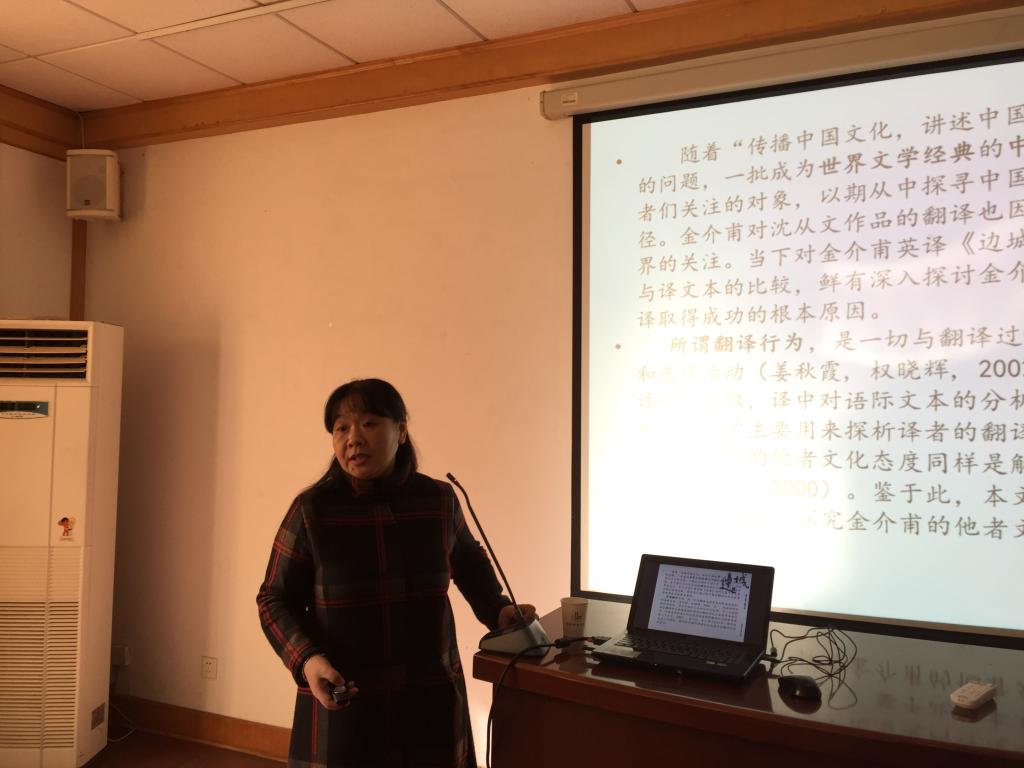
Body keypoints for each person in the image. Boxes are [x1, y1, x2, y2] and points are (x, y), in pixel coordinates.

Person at [257, 378, 535, 768]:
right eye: (340, 428)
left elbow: (470, 563)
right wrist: (307, 660)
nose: (353, 439)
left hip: (429, 693)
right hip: (346, 697)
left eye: (369, 423)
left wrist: (499, 610)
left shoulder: (438, 500)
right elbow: (274, 599)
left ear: (401, 431)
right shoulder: (312, 510)